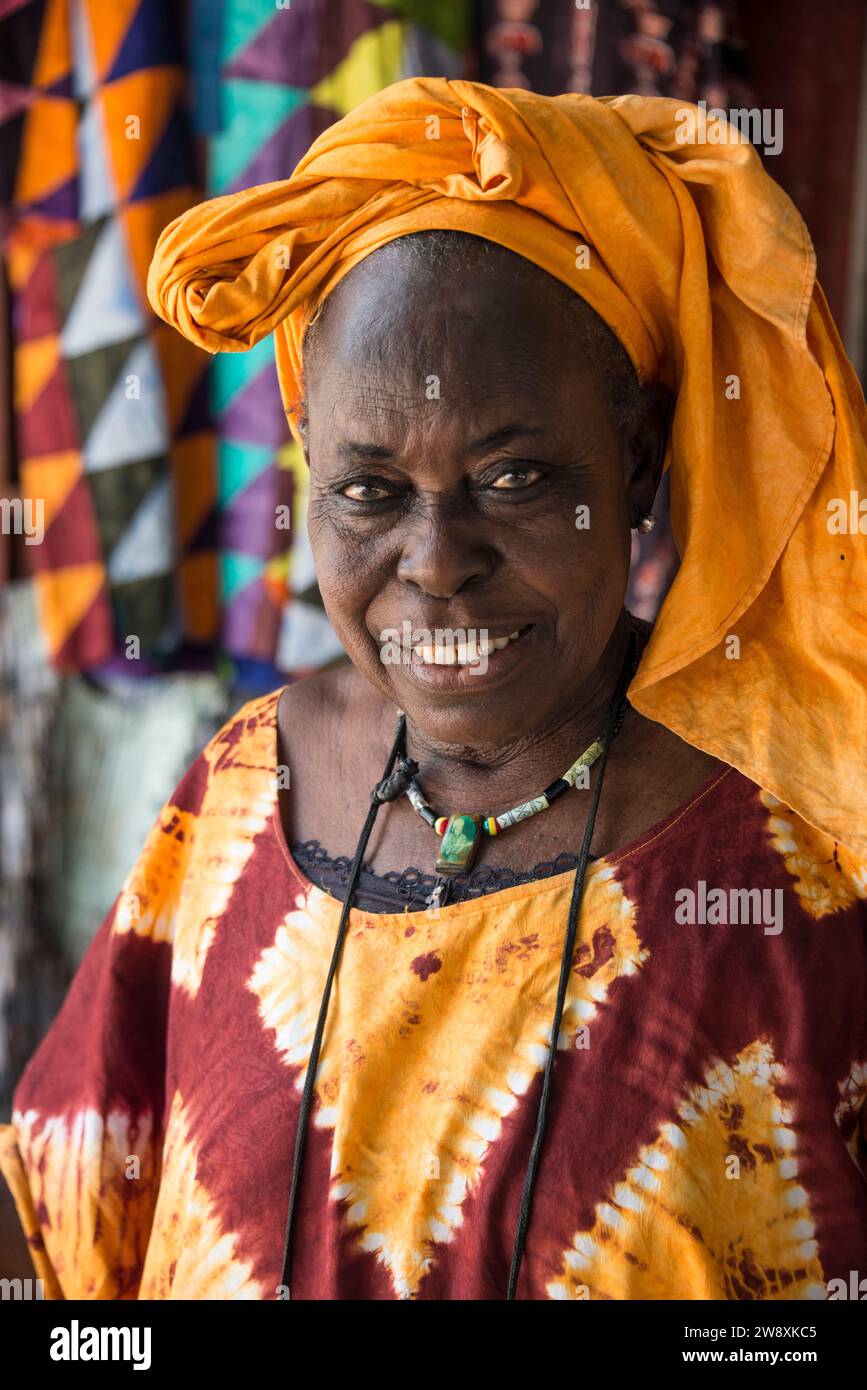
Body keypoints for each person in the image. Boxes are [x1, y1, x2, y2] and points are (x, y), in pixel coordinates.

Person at [1, 77, 865, 1302]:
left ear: (636, 463)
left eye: (514, 478)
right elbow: (63, 1213)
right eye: (366, 491)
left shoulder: (805, 860)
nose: (435, 559)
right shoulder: (251, 786)